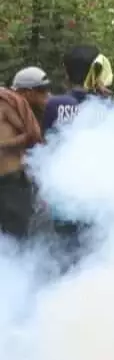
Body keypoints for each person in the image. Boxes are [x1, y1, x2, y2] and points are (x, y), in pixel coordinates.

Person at [1, 68, 49, 240]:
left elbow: (31, 136)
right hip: (9, 183)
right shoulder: (10, 102)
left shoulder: (9, 103)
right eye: (41, 90)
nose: (46, 95)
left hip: (13, 182)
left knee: (16, 239)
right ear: (27, 92)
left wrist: (4, 145)